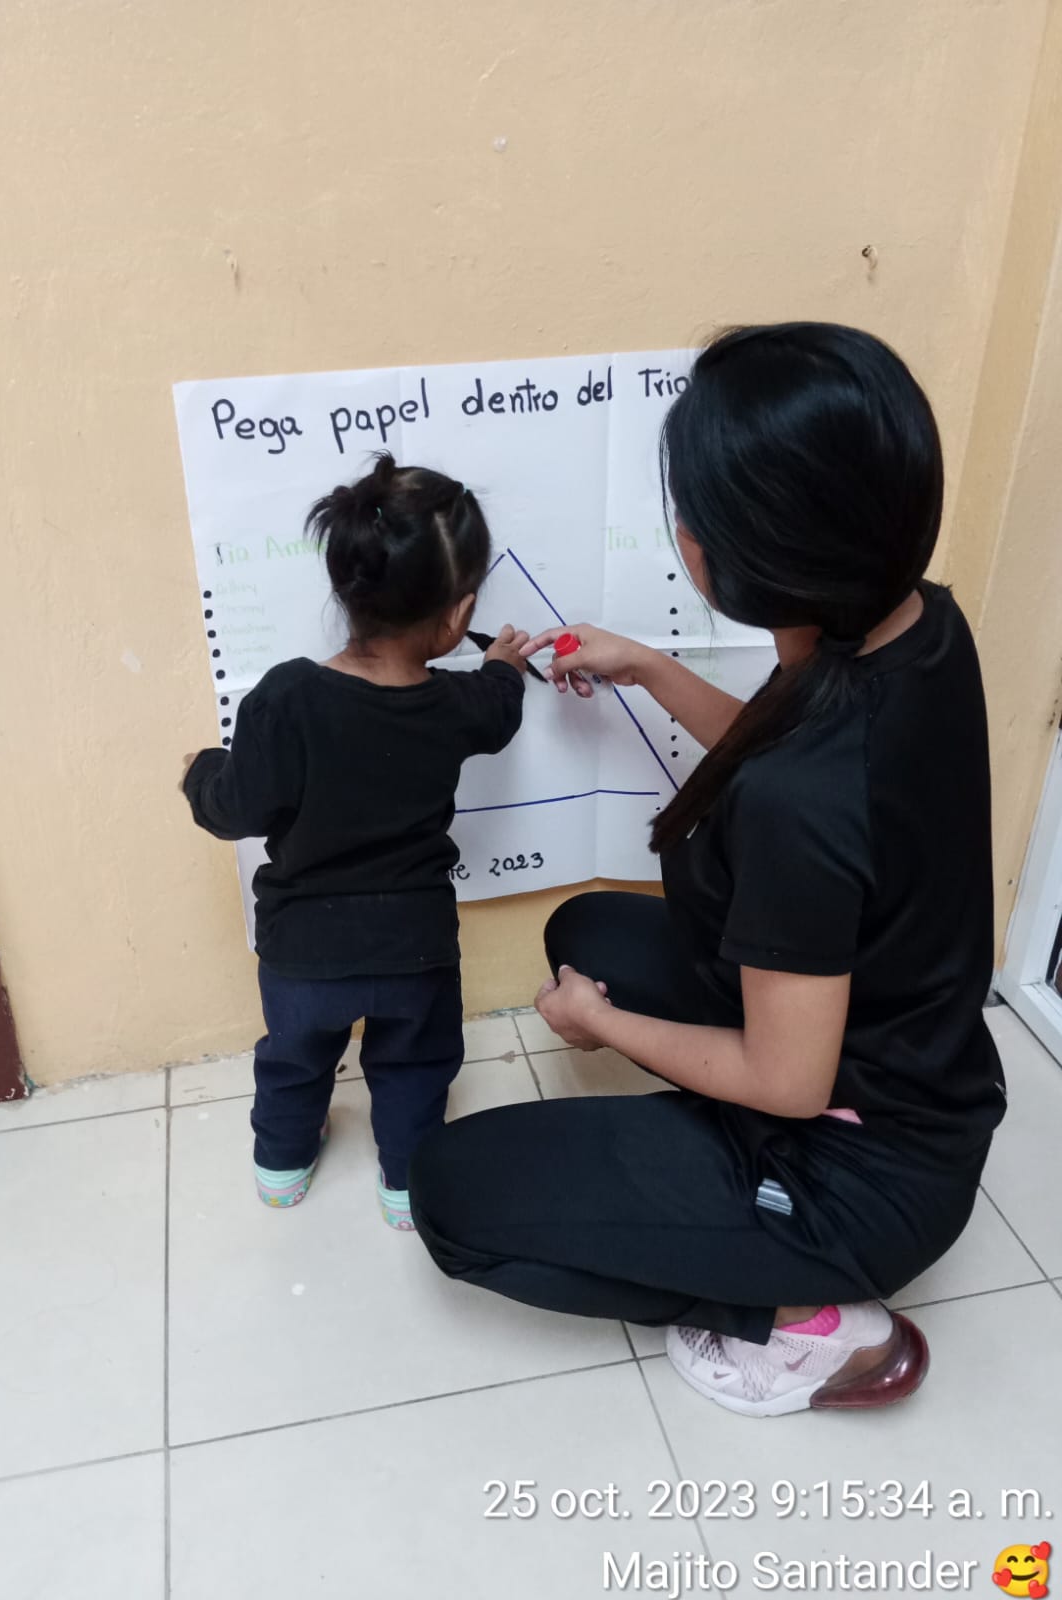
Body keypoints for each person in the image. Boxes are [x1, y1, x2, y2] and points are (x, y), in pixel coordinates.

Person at [409, 323, 1007, 1415]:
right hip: (905, 1055)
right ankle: (715, 1173)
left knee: (451, 1199)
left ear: (722, 556)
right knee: (587, 932)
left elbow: (790, 1082)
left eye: (691, 513)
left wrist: (602, 1026)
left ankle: (807, 1325)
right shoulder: (912, 622)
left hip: (863, 1168)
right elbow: (799, 764)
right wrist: (648, 666)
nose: (682, 531)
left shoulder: (801, 799)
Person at [183, 453, 528, 1230]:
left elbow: (236, 808)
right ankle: (406, 1186)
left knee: (293, 1060)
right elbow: (500, 709)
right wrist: (502, 664)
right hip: (416, 949)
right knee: (416, 1066)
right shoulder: (458, 703)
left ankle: (280, 1166)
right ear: (458, 614)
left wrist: (201, 771)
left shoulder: (285, 698)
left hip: (304, 952)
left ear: (347, 587)